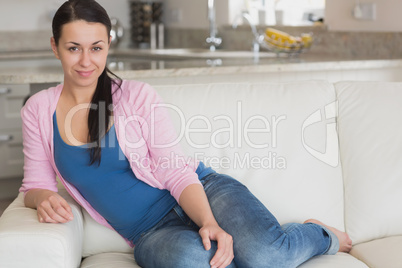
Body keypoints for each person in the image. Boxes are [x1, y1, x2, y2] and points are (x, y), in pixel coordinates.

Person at [19, 0, 352, 267]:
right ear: (55, 46)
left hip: (204, 193)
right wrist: (43, 198)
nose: (86, 61)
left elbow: (174, 169)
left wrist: (208, 221)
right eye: (74, 48)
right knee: (197, 261)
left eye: (96, 48)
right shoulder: (37, 109)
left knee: (268, 258)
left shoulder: (136, 96)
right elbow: (34, 186)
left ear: (108, 45)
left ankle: (318, 234)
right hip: (150, 233)